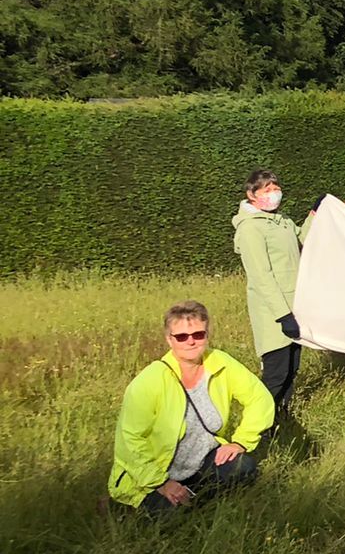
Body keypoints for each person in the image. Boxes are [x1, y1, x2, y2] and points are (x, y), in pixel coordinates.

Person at [109, 301, 275, 518]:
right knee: (169, 519)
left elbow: (259, 398)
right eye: (182, 336)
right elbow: (128, 440)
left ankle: (194, 501)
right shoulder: (149, 381)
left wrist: (241, 441)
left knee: (244, 469)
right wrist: (161, 482)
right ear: (169, 339)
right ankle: (122, 506)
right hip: (156, 473)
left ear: (208, 334)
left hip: (202, 463)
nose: (191, 341)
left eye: (198, 334)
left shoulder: (220, 362)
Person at [233, 168, 305, 411]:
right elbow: (260, 276)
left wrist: (319, 212)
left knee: (292, 370)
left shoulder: (283, 222)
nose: (274, 193)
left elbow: (304, 238)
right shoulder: (251, 228)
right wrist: (283, 315)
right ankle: (260, 426)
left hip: (296, 308)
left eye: (276, 188)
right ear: (251, 195)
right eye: (267, 189)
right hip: (273, 314)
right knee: (275, 374)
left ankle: (282, 419)